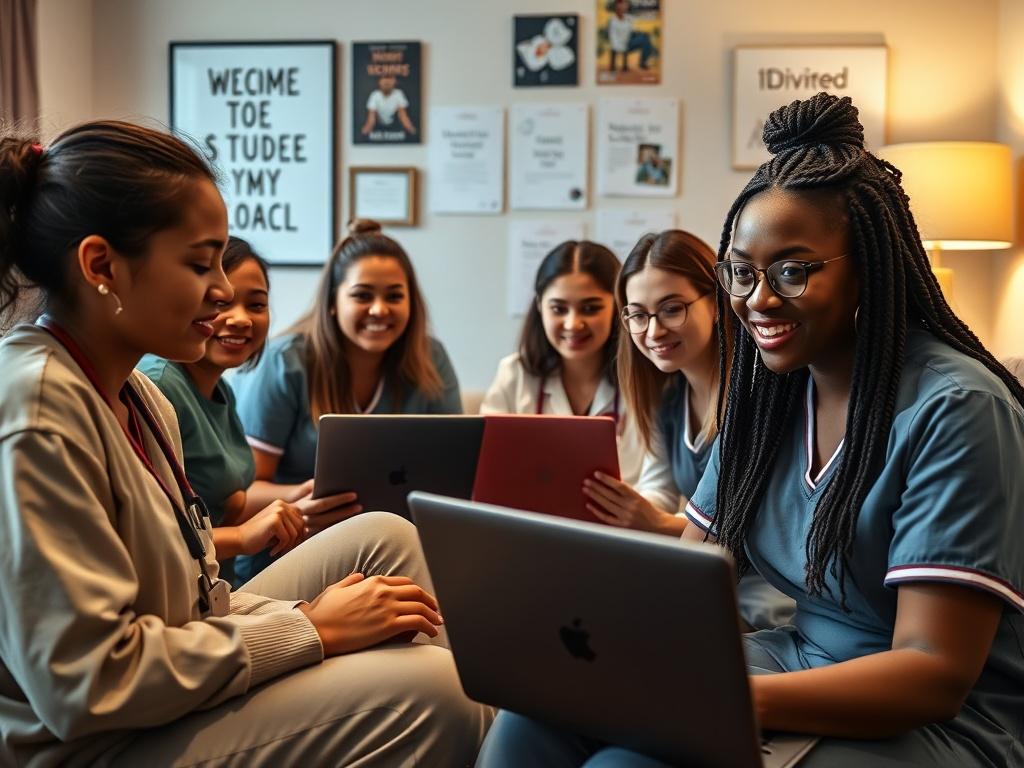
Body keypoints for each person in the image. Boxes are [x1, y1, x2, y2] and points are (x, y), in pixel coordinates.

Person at [477, 93, 1024, 766]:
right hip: (788, 660)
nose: (758, 299)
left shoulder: (957, 407)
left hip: (929, 721)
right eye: (741, 273)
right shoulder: (766, 396)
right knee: (532, 717)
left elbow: (932, 672)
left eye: (792, 271)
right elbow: (689, 572)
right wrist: (575, 645)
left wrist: (725, 700)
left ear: (871, 271)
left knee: (629, 762)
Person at [0, 122, 490, 767]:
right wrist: (312, 628)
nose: (225, 292)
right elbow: (87, 686)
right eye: (200, 264)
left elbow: (199, 592)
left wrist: (313, 619)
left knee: (386, 539)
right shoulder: (39, 416)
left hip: (171, 670)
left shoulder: (139, 398)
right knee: (436, 691)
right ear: (101, 266)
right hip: (94, 744)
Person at [581, 229, 793, 631]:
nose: (654, 331)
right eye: (638, 314)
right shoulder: (667, 397)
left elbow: (761, 523)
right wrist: (618, 509)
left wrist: (658, 524)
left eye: (672, 308)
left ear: (716, 302)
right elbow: (658, 490)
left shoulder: (755, 394)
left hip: (766, 600)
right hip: (704, 580)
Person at [233, 219, 462, 581]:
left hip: (398, 549)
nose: (379, 309)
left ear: (411, 303)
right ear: (334, 303)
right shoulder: (286, 361)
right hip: (293, 551)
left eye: (394, 296)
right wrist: (299, 500)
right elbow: (245, 489)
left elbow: (455, 473)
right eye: (362, 295)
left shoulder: (430, 360)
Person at [138, 237, 350, 586]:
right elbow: (151, 537)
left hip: (220, 582)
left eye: (256, 305)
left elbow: (231, 503)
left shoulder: (221, 390)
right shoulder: (160, 386)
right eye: (222, 303)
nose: (240, 319)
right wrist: (240, 537)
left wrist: (300, 498)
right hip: (185, 590)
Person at [481, 240, 644, 485]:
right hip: (527, 521)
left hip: (620, 524)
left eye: (590, 308)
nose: (573, 324)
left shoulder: (644, 380)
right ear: (539, 307)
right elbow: (486, 468)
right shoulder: (514, 374)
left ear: (618, 306)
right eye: (558, 309)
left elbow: (658, 484)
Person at [606, 0, 655, 72]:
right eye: (624, 5)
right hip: (621, 44)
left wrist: (640, 32)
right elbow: (613, 38)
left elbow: (633, 28)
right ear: (618, 6)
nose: (626, 6)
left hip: (629, 40)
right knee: (645, 39)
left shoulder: (628, 17)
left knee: (645, 37)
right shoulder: (613, 20)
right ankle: (642, 62)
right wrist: (622, 47)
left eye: (627, 5)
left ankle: (643, 62)